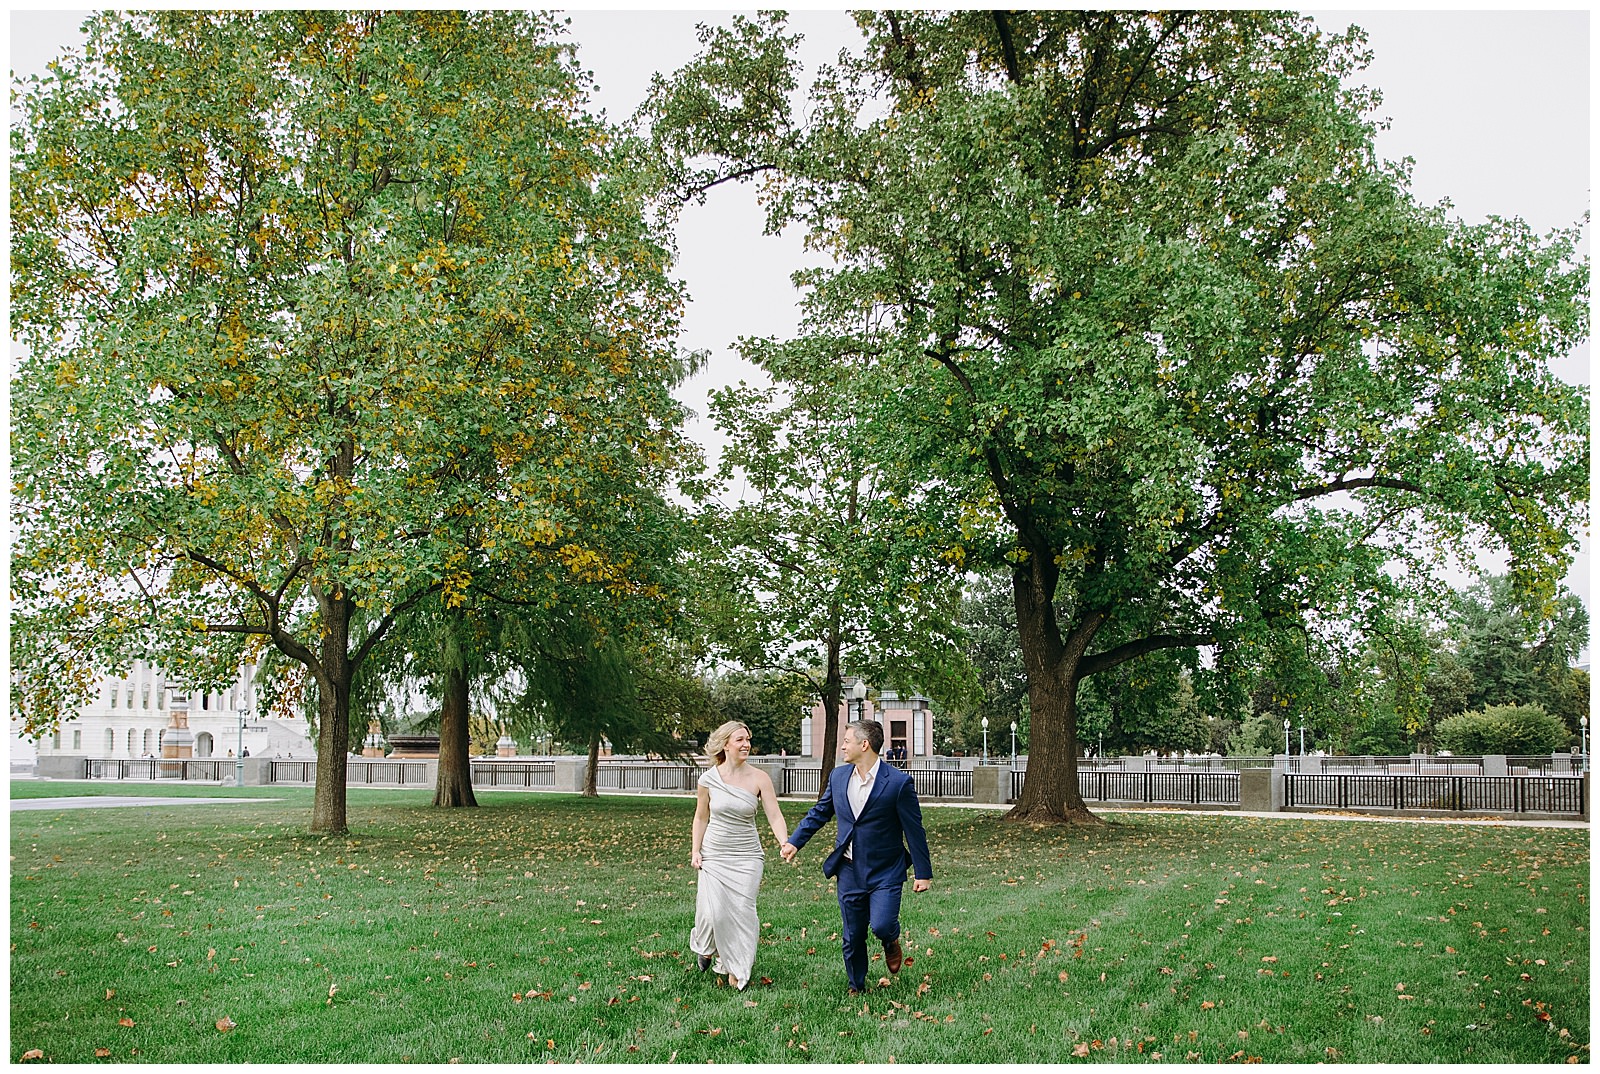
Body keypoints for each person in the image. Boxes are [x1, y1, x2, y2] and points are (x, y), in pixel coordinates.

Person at [781, 719, 932, 995]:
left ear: (864, 745)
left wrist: (923, 872)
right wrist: (795, 842)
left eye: (847, 740)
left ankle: (890, 940)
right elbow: (820, 813)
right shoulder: (838, 778)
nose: (842, 745)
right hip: (849, 869)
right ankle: (857, 985)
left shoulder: (898, 783)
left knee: (883, 924)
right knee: (852, 935)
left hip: (885, 869)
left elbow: (914, 829)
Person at [689, 721, 789, 991]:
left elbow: (774, 815)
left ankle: (736, 967)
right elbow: (701, 817)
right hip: (715, 854)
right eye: (740, 740)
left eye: (748, 739)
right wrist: (696, 850)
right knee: (712, 914)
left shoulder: (759, 778)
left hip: (747, 857)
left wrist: (784, 842)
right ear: (725, 744)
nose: (746, 744)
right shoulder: (708, 780)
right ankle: (707, 947)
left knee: (742, 913)